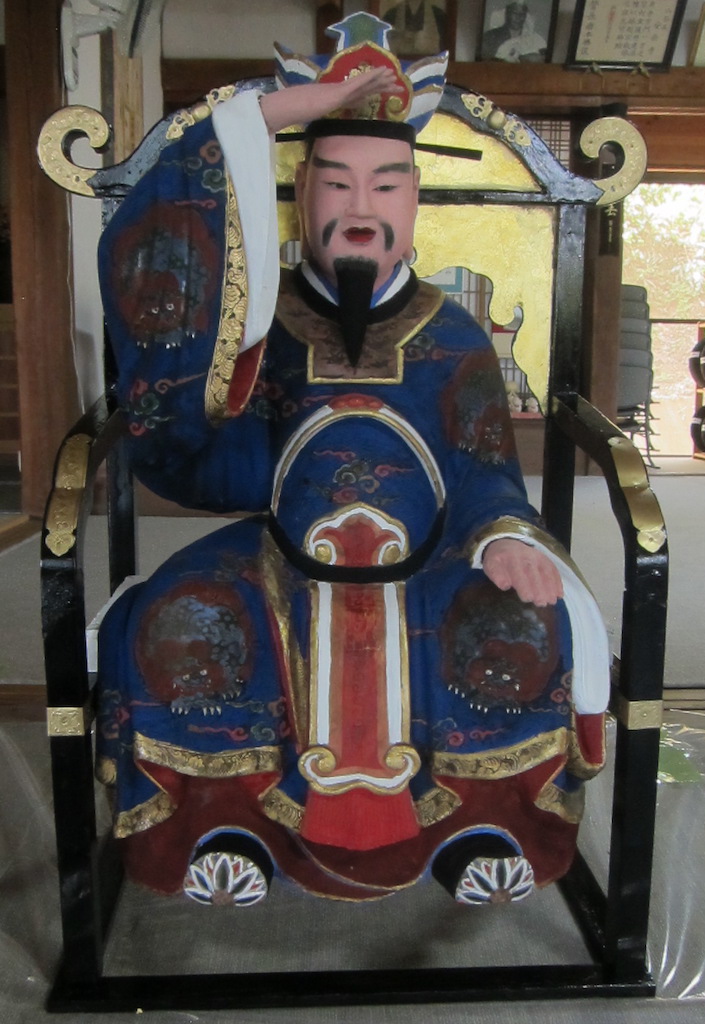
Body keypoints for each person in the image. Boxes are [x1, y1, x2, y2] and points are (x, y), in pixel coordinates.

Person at [95, 12, 609, 907]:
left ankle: (481, 826)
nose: (360, 209)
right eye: (335, 184)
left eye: (385, 186)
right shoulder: (252, 324)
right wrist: (271, 116)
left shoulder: (453, 334)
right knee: (183, 620)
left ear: (414, 202)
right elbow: (194, 450)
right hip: (280, 551)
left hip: (434, 553)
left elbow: (484, 468)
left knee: (526, 625)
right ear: (300, 195)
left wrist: (503, 533)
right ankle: (227, 822)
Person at [481, 2, 548, 63]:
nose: (518, 17)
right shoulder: (490, 36)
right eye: (515, 13)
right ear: (507, 14)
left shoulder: (535, 39)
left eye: (522, 14)